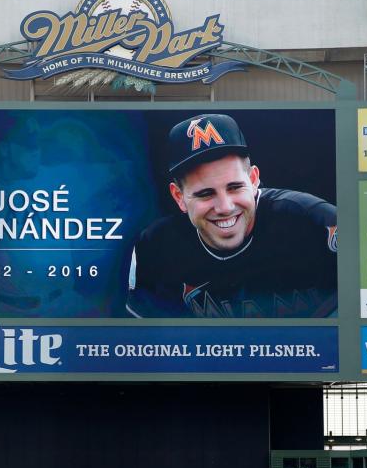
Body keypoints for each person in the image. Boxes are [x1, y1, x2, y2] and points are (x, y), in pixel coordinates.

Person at [127, 113, 337, 319]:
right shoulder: (155, 249)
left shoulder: (312, 221)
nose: (225, 207)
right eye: (205, 193)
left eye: (235, 187)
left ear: (254, 179)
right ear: (179, 196)